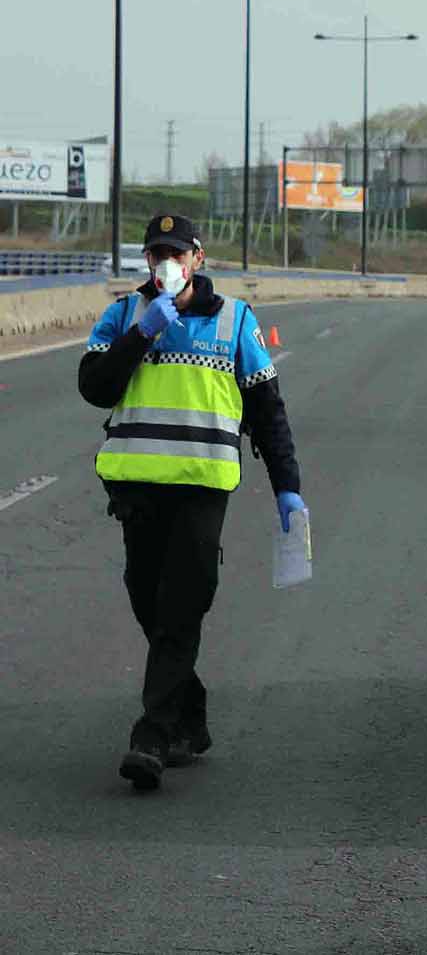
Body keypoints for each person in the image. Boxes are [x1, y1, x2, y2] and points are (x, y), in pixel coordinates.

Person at [79, 214, 305, 792]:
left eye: (176, 253)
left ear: (198, 258)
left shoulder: (234, 321)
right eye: (156, 254)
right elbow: (96, 388)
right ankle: (190, 713)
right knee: (150, 606)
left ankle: (151, 736)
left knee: (182, 605)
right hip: (136, 488)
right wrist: (142, 333)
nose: (166, 263)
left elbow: (267, 411)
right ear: (147, 261)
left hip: (203, 489)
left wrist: (288, 488)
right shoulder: (125, 314)